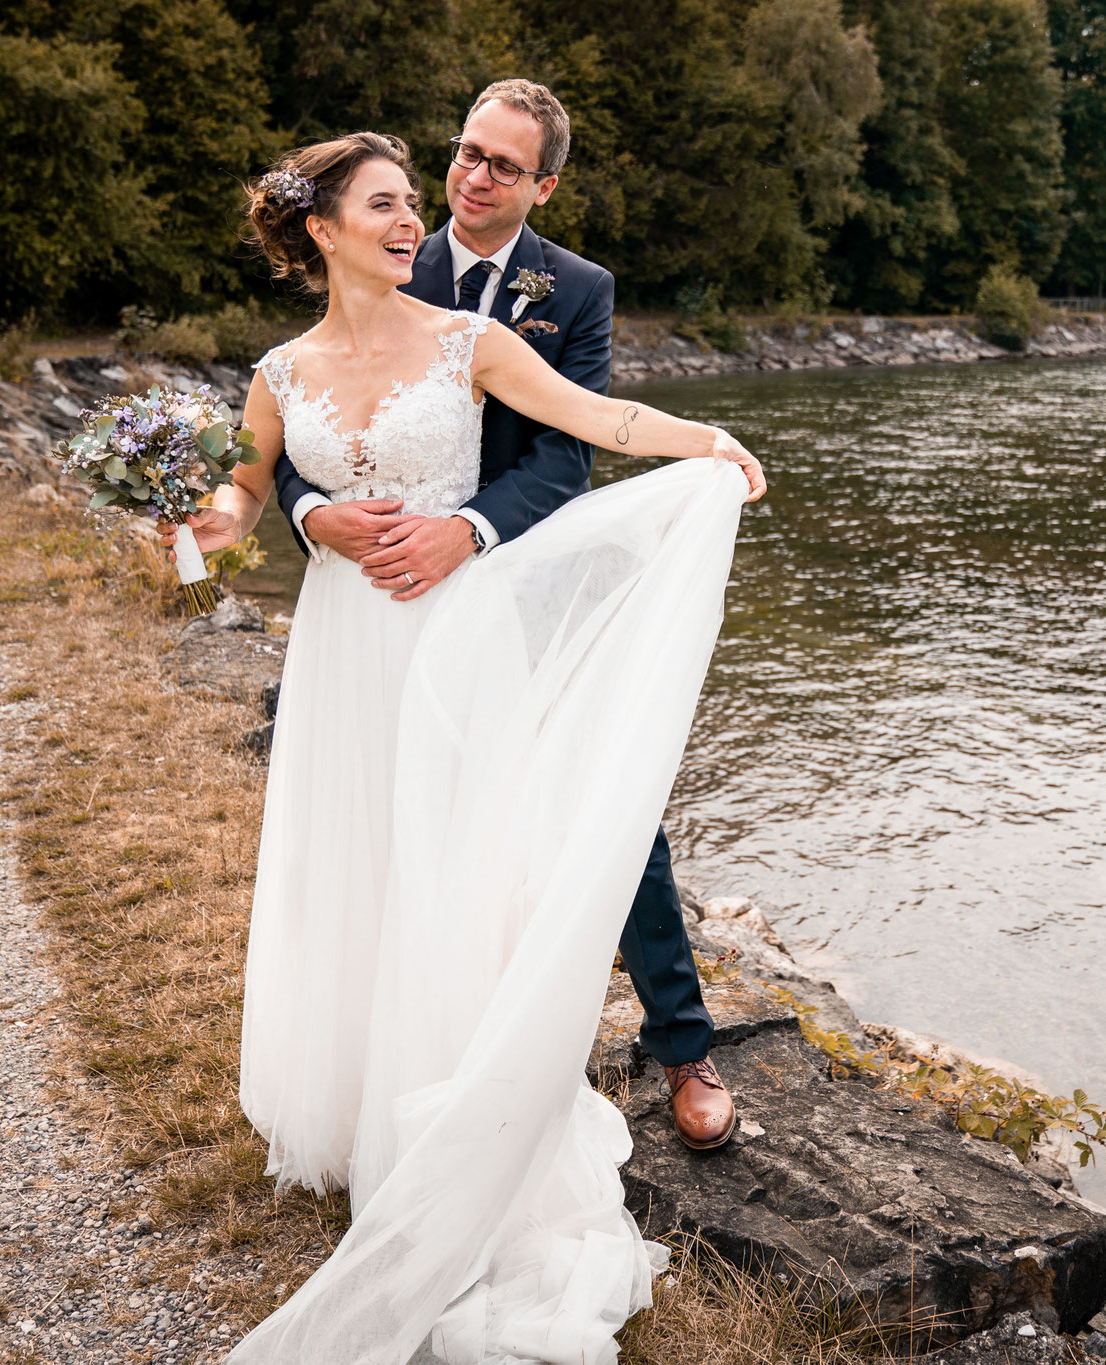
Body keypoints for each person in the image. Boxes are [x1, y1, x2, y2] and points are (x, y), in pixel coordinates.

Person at [166, 126, 764, 1362]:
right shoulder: (277, 372)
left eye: (406, 206)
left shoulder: (469, 339)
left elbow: (595, 415)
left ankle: (462, 1118)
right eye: (381, 207)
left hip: (460, 629)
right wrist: (193, 521)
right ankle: (360, 1108)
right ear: (321, 230)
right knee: (366, 855)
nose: (407, 224)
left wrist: (707, 446)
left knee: (468, 862)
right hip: (348, 643)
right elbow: (241, 490)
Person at [273, 81, 735, 1152]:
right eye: (465, 153)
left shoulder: (574, 290)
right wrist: (309, 514)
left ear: (544, 186)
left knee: (603, 798)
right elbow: (305, 421)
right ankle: (404, 1054)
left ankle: (681, 1043)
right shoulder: (382, 242)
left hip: (520, 577)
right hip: (385, 601)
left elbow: (569, 452)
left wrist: (469, 533)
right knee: (393, 818)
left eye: (501, 165)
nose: (471, 177)